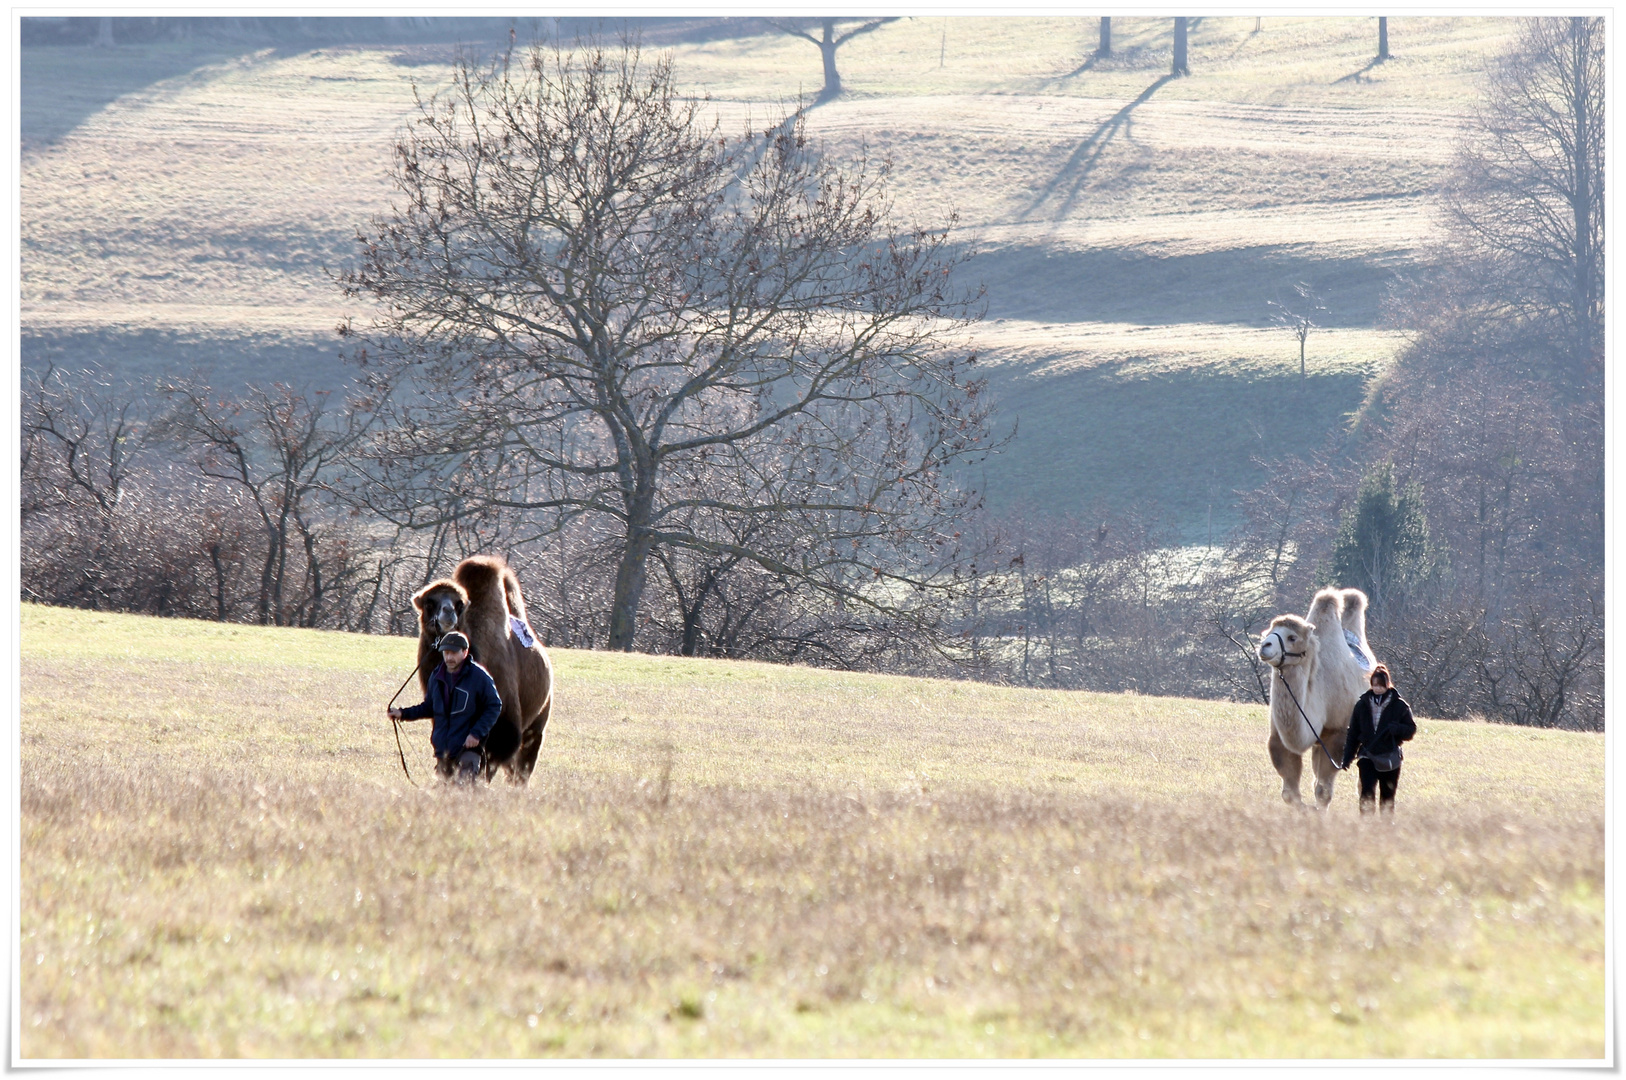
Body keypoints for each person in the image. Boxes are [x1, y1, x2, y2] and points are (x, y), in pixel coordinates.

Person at [388, 631, 502, 784]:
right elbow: (429, 707)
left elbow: (494, 706)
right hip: (443, 751)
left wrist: (476, 734)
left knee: (463, 794)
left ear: (465, 652)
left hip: (468, 750)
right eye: (446, 653)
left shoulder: (480, 677)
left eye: (453, 653)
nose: (449, 657)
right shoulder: (436, 676)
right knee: (441, 799)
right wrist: (402, 713)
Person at [1339, 663, 1416, 815]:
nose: (1377, 688)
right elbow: (1353, 733)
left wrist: (1397, 729)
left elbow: (1411, 730)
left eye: (1381, 685)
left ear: (1388, 684)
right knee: (1366, 794)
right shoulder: (1361, 705)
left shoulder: (1400, 706)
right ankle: (1366, 827)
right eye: (1374, 685)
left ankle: (1386, 828)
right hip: (1367, 756)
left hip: (1390, 758)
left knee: (1387, 798)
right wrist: (1347, 757)